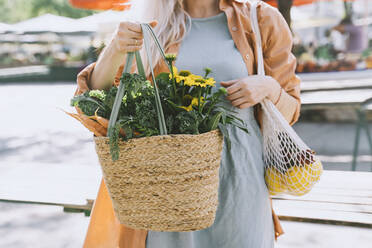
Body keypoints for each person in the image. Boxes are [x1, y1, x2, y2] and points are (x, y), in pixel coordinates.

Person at [74, 0, 301, 247]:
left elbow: (290, 111)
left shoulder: (262, 19)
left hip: (241, 180)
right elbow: (93, 101)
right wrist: (115, 49)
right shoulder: (151, 20)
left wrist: (268, 87)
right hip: (168, 181)